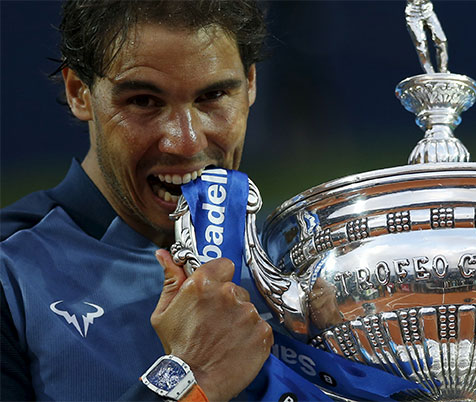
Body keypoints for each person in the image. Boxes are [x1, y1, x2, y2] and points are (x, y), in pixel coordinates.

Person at [1, 1, 274, 400]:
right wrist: (189, 377)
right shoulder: (11, 271)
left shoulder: (288, 260)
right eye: (144, 101)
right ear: (79, 92)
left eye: (213, 95)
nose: (186, 141)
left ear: (250, 84)